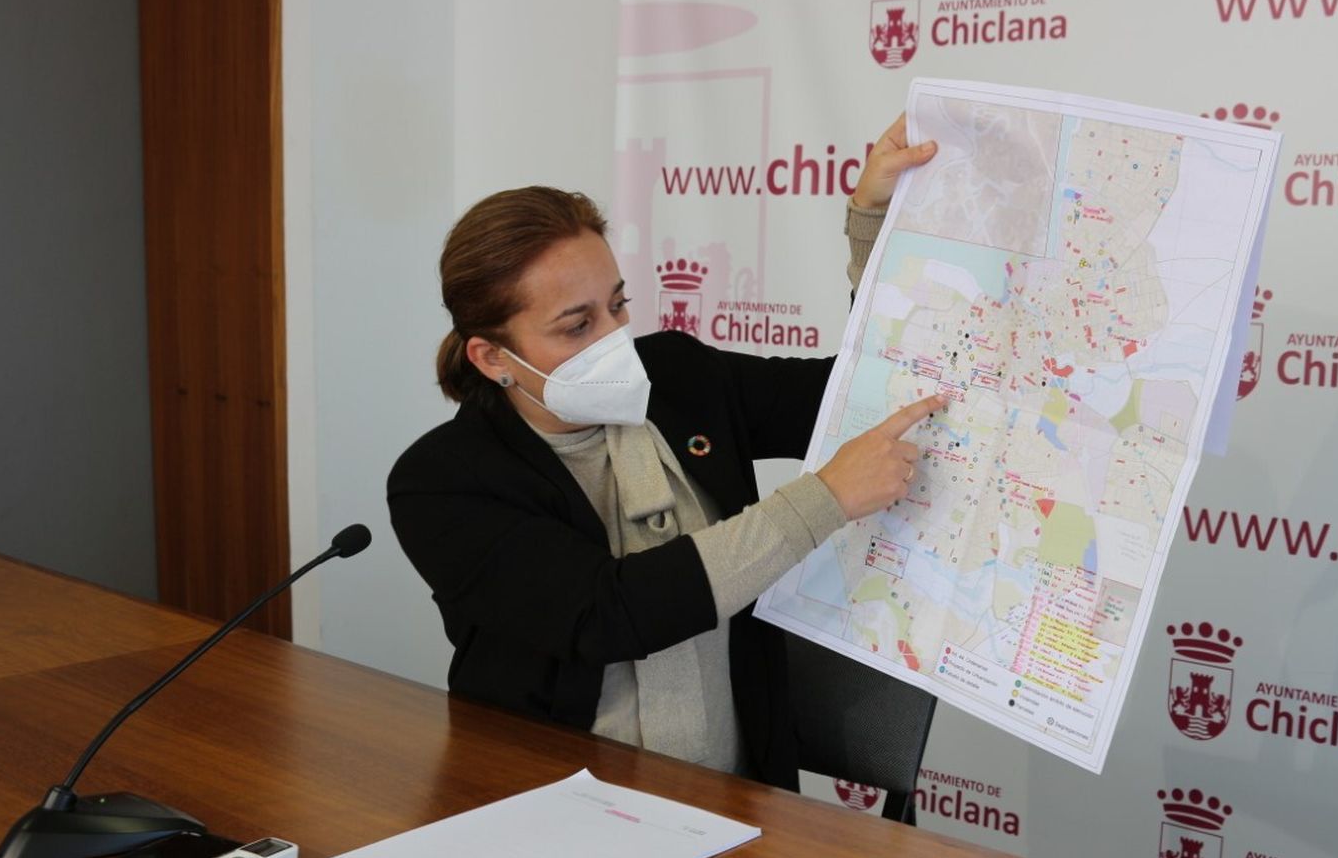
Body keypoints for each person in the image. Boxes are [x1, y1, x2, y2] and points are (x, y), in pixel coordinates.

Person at [387, 117, 939, 790]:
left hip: (736, 799)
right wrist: (823, 500)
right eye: (576, 325)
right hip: (544, 815)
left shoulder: (679, 377)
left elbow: (856, 395)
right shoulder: (441, 483)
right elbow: (611, 613)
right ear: (492, 358)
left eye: (616, 305)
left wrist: (873, 220)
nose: (615, 337)